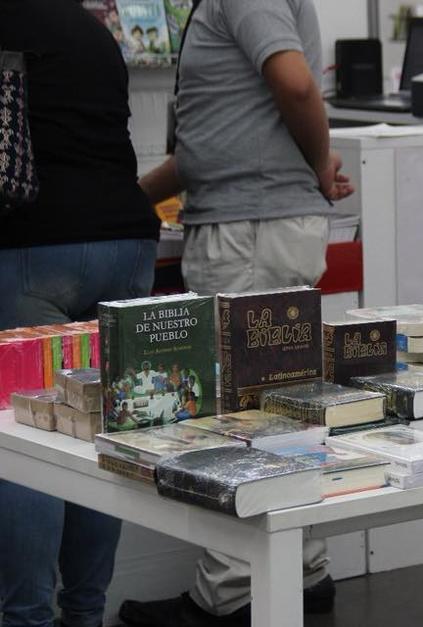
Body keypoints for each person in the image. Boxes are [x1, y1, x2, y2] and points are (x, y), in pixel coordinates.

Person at [118, 1, 352, 625]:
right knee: (282, 410)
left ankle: (230, 597)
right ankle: (303, 574)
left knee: (241, 416)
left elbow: (295, 82)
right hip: (254, 221)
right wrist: (132, 196)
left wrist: (316, 167)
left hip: (248, 229)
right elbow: (215, 144)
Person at [0, 1, 161, 626]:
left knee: (23, 437)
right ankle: (86, 612)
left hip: (35, 244)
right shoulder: (96, 32)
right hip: (128, 240)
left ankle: (27, 618)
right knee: (101, 426)